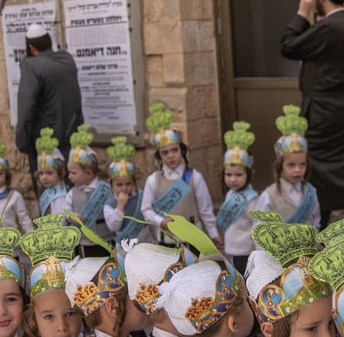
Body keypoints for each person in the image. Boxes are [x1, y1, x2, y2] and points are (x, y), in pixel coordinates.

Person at [280, 0, 344, 228]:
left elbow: (288, 46)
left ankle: (321, 225)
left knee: (317, 169)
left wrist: (301, 12)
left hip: (322, 111)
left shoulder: (329, 28)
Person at [141, 103, 220, 246]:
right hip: (166, 240)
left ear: (182, 150)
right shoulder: (153, 180)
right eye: (165, 153)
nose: (171, 156)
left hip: (193, 239)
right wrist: (161, 221)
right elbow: (146, 209)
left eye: (174, 150)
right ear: (159, 156)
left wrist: (213, 234)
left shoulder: (194, 177)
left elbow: (205, 209)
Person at [15, 23, 84, 172]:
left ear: (32, 49)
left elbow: (26, 105)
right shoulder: (66, 59)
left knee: (48, 187)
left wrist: (22, 142)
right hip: (71, 138)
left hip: (46, 142)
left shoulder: (31, 66)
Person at [255, 105, 320, 229]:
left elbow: (315, 221)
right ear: (280, 166)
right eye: (291, 165)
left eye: (302, 164)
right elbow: (260, 228)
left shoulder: (311, 193)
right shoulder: (269, 195)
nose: (297, 170)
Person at [217, 122, 259, 274]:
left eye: (238, 175)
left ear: (249, 174)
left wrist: (258, 252)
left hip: (247, 251)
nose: (233, 179)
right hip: (233, 249)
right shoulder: (230, 193)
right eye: (229, 175)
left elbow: (257, 225)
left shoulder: (252, 198)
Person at [68, 124, 113, 255]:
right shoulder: (72, 193)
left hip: (105, 241)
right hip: (83, 244)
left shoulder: (106, 190)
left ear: (88, 173)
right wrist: (71, 216)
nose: (69, 176)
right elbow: (66, 212)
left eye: (73, 173)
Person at [103, 136, 153, 245]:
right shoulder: (109, 204)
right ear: (111, 184)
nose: (124, 188)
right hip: (123, 248)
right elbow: (113, 227)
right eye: (119, 185)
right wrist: (120, 207)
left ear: (134, 182)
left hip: (145, 244)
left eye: (128, 184)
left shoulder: (142, 196)